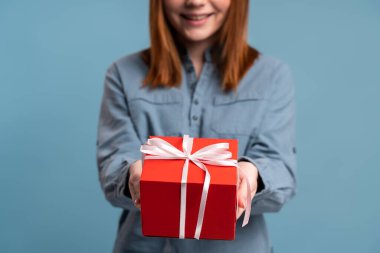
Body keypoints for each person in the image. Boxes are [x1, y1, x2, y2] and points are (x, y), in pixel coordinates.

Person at [96, 0, 297, 252]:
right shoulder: (122, 74)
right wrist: (132, 176)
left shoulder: (272, 76)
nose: (196, 2)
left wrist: (252, 174)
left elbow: (282, 173)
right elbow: (113, 167)